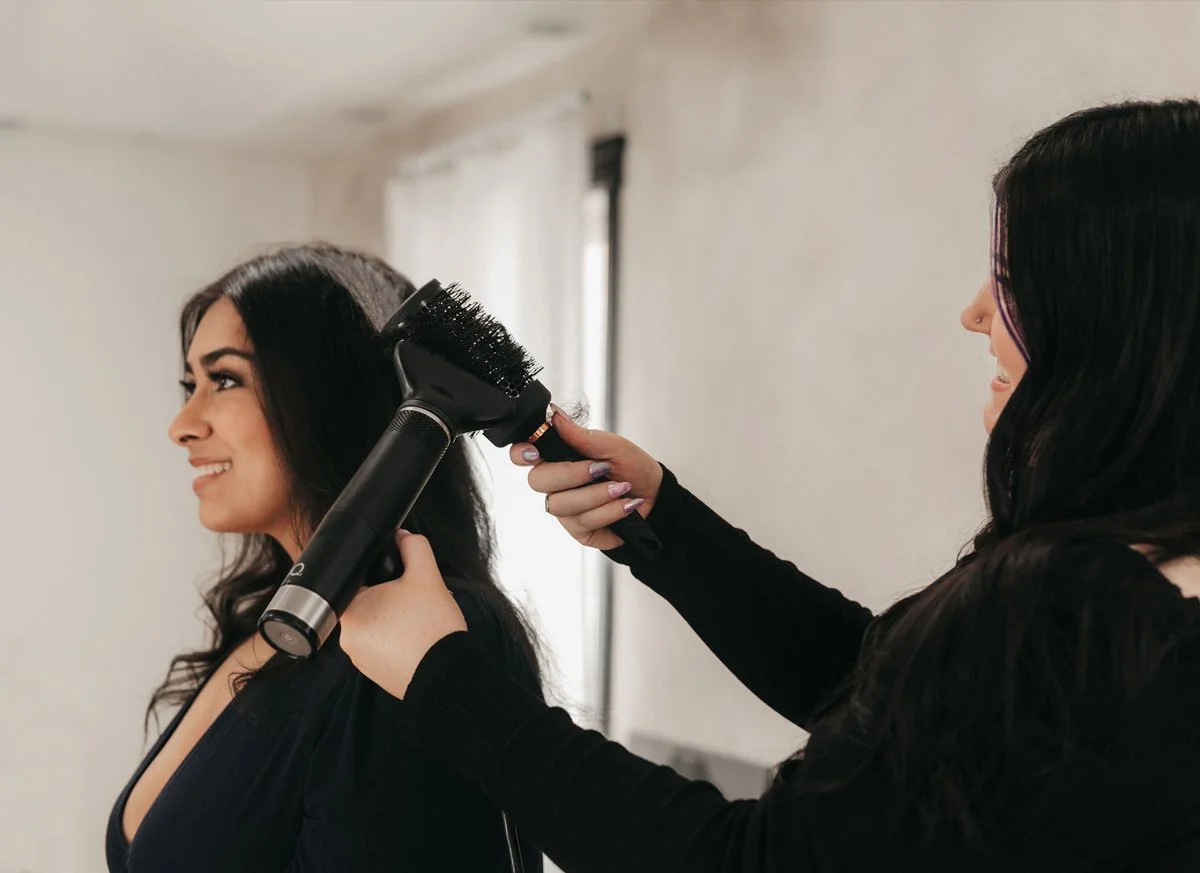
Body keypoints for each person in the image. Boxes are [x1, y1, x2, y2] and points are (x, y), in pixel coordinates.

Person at [338, 98, 1200, 872]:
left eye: (1009, 282)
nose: (975, 311)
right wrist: (666, 521)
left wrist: (442, 677)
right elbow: (874, 686)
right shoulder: (1136, 581)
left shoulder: (1081, 611)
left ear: (1111, 325)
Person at [105, 243, 543, 872]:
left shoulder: (428, 641)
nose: (181, 424)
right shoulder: (273, 624)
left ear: (329, 394)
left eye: (223, 379)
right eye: (189, 384)